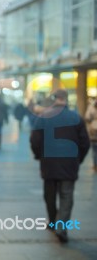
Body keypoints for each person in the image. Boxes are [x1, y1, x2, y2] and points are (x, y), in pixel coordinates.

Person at [30, 89, 90, 243]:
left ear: (54, 99)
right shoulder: (76, 118)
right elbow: (85, 143)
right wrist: (79, 159)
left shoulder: (44, 117)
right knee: (66, 195)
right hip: (69, 164)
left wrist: (39, 155)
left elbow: (34, 140)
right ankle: (61, 227)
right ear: (66, 100)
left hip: (49, 163)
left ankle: (52, 221)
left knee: (49, 194)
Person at [84, 99, 97, 172]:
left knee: (94, 150)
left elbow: (87, 117)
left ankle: (95, 165)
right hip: (93, 132)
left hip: (93, 131)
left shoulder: (91, 107)